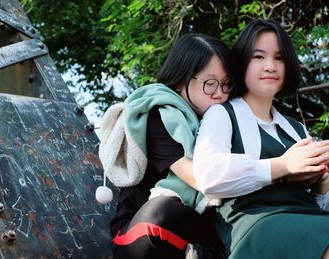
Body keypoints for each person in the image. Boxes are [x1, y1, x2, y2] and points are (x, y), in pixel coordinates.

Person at [191, 19, 329, 259]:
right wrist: (283, 166)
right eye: (258, 57)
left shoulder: (295, 128)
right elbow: (208, 176)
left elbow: (319, 205)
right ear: (242, 62)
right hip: (256, 224)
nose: (270, 66)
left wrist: (322, 183)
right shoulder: (222, 114)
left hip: (308, 218)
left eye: (279, 58)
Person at [99, 33, 233, 258]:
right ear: (181, 81)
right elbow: (199, 179)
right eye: (210, 84)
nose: (220, 93)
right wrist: (275, 169)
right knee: (163, 212)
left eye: (227, 84)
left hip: (199, 224)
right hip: (141, 229)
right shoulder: (160, 116)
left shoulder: (226, 120)